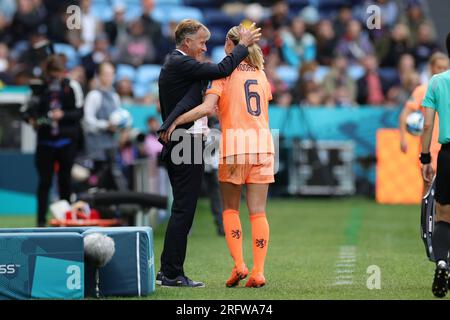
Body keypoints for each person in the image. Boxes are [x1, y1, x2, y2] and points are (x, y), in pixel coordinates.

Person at [161, 25, 274, 288]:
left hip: (235, 146)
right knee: (258, 213)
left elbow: (208, 108)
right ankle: (258, 271)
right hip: (264, 145)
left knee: (230, 209)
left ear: (230, 46)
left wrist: (174, 121)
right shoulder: (261, 74)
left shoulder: (223, 75)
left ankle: (239, 265)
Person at [23, 54, 84, 227]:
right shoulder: (38, 88)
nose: (55, 76)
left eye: (58, 72)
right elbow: (28, 113)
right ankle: (41, 221)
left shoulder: (72, 86)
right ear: (47, 72)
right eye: (52, 73)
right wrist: (35, 120)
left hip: (66, 141)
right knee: (45, 182)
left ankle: (65, 220)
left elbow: (79, 113)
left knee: (65, 181)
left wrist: (62, 114)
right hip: (45, 142)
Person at [420, 33, 450, 298]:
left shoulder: (438, 81)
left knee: (442, 214)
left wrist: (425, 158)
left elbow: (427, 124)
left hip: (449, 153)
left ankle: (442, 262)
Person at [399, 52, 449, 192]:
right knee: (429, 188)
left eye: (445, 68)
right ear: (431, 68)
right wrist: (403, 138)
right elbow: (404, 114)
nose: (443, 71)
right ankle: (429, 214)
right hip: (430, 148)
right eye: (439, 67)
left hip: (445, 145)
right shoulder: (423, 90)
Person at [83, 62, 123, 188]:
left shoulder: (115, 96)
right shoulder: (94, 95)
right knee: (96, 182)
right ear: (98, 76)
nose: (109, 77)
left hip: (111, 148)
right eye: (105, 74)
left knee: (110, 182)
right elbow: (88, 122)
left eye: (111, 74)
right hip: (96, 149)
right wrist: (106, 125)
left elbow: (118, 117)